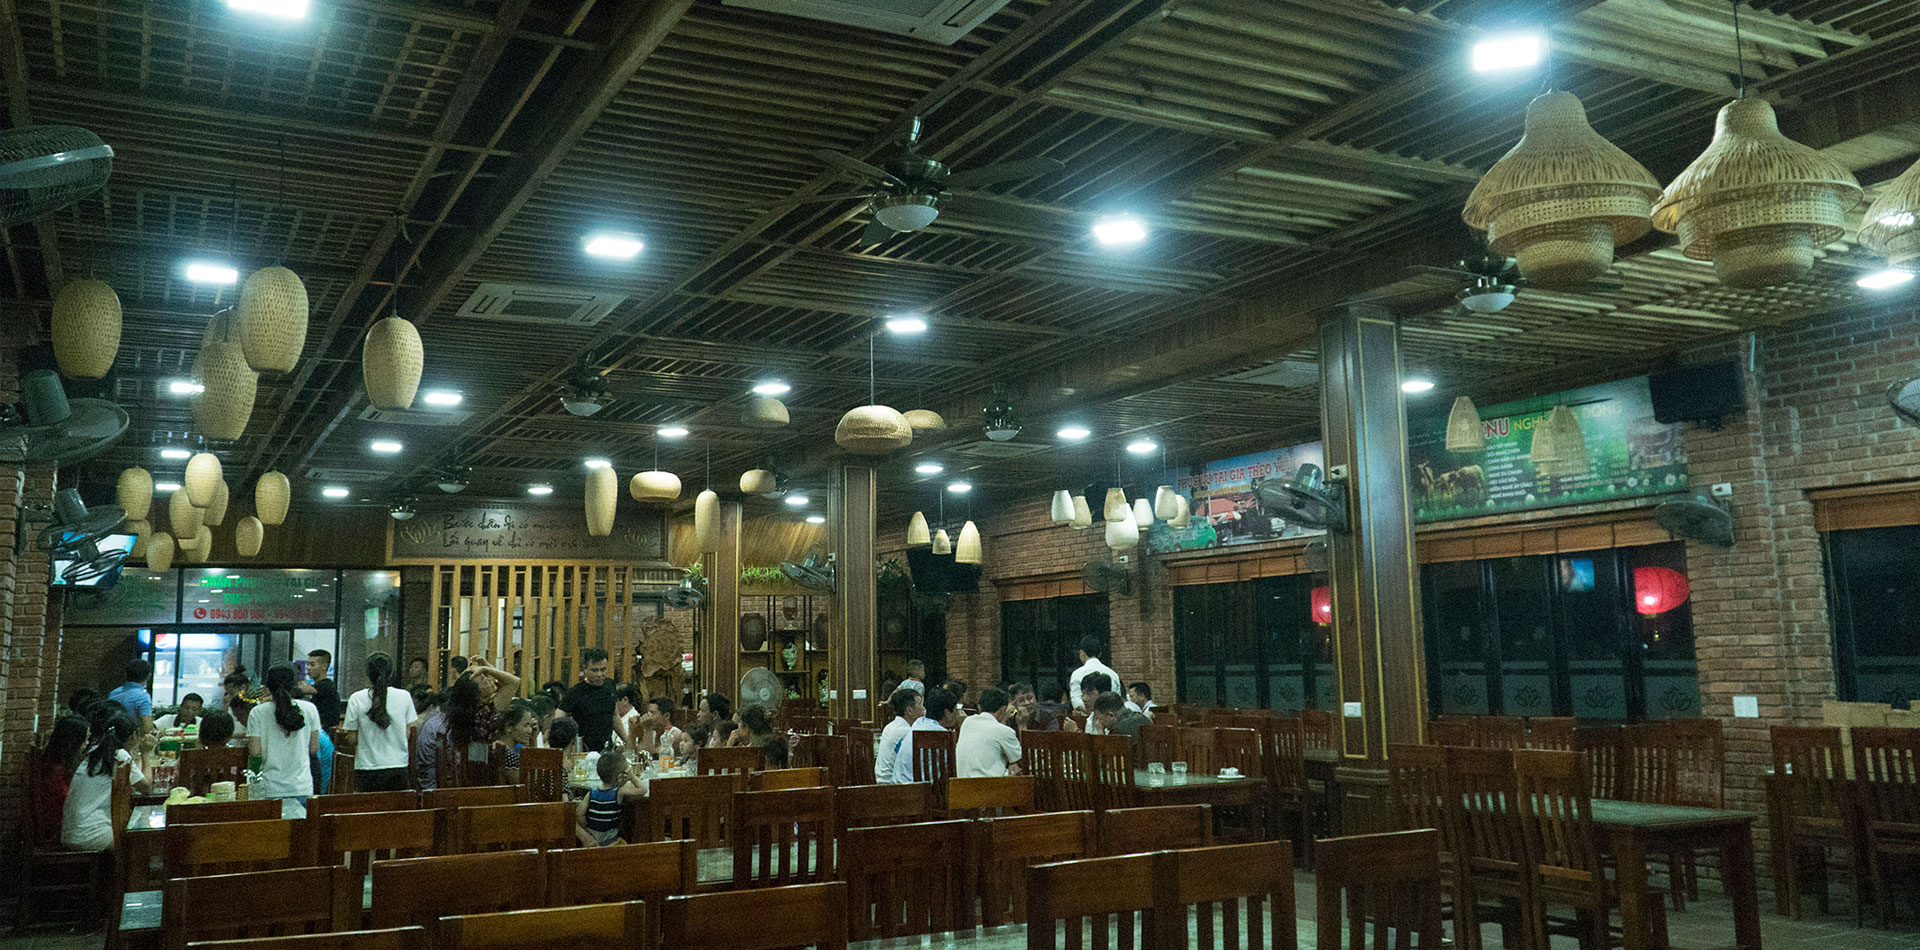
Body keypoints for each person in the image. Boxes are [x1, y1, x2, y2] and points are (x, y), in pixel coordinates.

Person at [62, 713, 150, 851]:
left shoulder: (97, 753)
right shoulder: (120, 755)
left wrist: (136, 757)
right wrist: (146, 754)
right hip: (90, 833)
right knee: (141, 841)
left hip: (73, 832)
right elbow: (146, 787)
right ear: (134, 736)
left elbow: (135, 778)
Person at [248, 662, 321, 818]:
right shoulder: (310, 709)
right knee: (299, 832)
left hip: (270, 788)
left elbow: (255, 752)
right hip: (301, 787)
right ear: (294, 684)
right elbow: (314, 748)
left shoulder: (257, 712)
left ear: (268, 686)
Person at [343, 652, 417, 793]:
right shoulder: (404, 696)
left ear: (367, 673)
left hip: (366, 768)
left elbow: (352, 738)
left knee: (369, 807)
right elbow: (408, 732)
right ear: (391, 673)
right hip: (398, 766)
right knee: (396, 807)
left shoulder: (356, 698)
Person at [413, 676, 480, 791]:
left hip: (429, 782)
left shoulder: (433, 720)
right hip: (436, 786)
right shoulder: (441, 726)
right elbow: (456, 761)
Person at [33, 716, 91, 846]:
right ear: (73, 742)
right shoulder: (57, 770)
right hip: (59, 829)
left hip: (61, 824)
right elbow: (68, 802)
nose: (87, 744)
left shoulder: (55, 763)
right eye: (85, 739)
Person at [575, 749, 645, 847]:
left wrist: (584, 824)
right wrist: (632, 776)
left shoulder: (592, 792)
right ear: (620, 777)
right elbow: (642, 790)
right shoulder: (619, 792)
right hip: (610, 839)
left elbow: (579, 813)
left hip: (592, 835)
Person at [956, 687, 1023, 777]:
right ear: (1003, 709)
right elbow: (1021, 760)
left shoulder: (967, 722)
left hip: (961, 784)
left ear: (980, 706)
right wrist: (1022, 724)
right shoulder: (1005, 731)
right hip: (989, 784)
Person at [561, 648, 618, 752]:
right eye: (594, 670)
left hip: (606, 749)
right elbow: (558, 719)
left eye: (603, 670)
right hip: (584, 750)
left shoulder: (610, 685)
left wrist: (627, 740)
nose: (599, 675)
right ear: (585, 669)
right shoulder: (575, 692)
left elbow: (615, 715)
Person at [875, 687, 923, 784]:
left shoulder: (890, 726)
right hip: (893, 787)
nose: (923, 708)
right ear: (909, 710)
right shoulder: (906, 732)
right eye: (920, 704)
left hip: (881, 782)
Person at [1069, 636, 1120, 712]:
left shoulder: (1077, 673)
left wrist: (1092, 712)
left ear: (1082, 653)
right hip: (1110, 716)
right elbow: (1117, 700)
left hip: (1085, 717)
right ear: (1100, 653)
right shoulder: (1113, 674)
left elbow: (1076, 701)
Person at [298, 649, 344, 730]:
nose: (308, 668)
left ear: (324, 666)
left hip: (324, 732)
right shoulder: (317, 686)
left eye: (312, 665)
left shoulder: (327, 686)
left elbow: (304, 689)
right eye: (307, 665)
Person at [1008, 682, 1077, 732]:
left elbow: (1052, 742)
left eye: (1029, 698)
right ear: (1014, 704)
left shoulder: (1048, 716)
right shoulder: (1011, 718)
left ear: (1035, 698)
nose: (1027, 703)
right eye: (1021, 700)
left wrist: (1022, 725)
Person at [108, 658, 155, 732]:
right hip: (131, 736)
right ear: (148, 676)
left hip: (113, 735)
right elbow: (147, 727)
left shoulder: (113, 693)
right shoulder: (143, 696)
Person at [494, 705, 536, 782]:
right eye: (525, 725)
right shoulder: (508, 755)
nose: (530, 731)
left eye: (531, 726)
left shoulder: (496, 747)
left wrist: (533, 741)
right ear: (509, 727)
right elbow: (529, 783)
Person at [611, 684, 645, 754]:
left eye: (614, 701)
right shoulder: (615, 717)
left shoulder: (635, 721)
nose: (611, 705)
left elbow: (624, 746)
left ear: (625, 700)